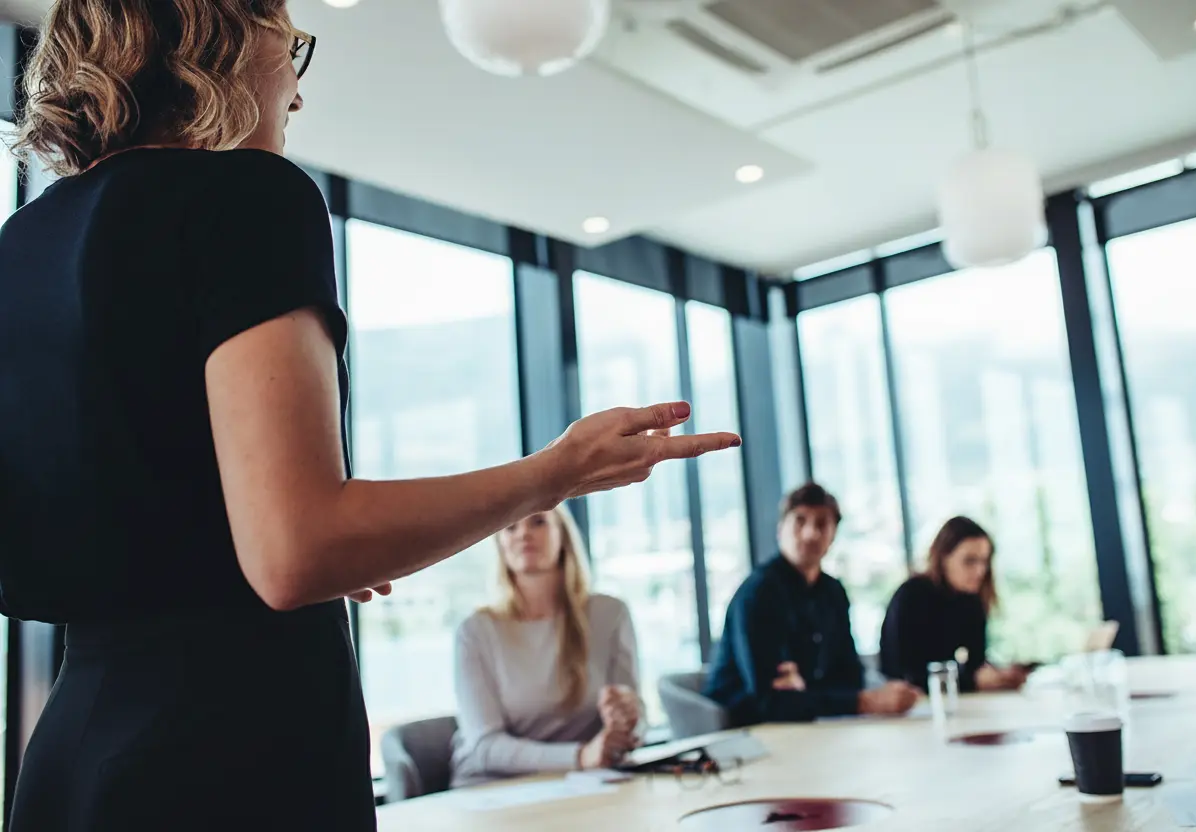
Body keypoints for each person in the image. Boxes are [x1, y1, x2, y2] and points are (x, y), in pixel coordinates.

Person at [0, 2, 739, 829]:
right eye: (296, 51)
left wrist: (245, 556)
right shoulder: (249, 197)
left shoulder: (20, 246)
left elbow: (127, 507)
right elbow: (294, 552)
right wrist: (553, 473)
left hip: (69, 759)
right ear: (225, 36)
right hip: (231, 758)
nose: (297, 95)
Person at [450, 507, 643, 787]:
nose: (524, 534)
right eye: (510, 527)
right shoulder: (475, 631)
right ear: (500, 544)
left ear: (563, 536)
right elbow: (485, 746)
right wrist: (580, 756)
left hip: (584, 782)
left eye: (538, 522)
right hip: (493, 785)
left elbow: (635, 714)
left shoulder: (610, 613)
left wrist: (629, 722)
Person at [703, 483, 920, 725]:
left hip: (807, 724)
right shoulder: (758, 593)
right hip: (744, 730)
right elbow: (767, 700)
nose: (810, 533)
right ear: (779, 529)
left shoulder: (832, 591)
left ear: (834, 535)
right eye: (800, 521)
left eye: (821, 524)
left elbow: (850, 677)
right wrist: (864, 701)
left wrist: (805, 688)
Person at [879, 516, 1029, 693]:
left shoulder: (971, 600)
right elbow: (906, 674)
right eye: (970, 561)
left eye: (984, 561)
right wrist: (973, 681)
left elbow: (975, 663)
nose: (980, 571)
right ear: (944, 558)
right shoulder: (911, 596)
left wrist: (998, 676)